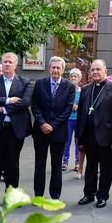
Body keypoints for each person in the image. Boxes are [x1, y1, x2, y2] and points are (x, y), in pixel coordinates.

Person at [0, 52, 32, 209]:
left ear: (16, 65)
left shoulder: (25, 82)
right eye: (4, 62)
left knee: (13, 164)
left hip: (15, 129)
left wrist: (3, 110)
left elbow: (25, 103)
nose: (7, 65)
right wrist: (8, 101)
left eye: (10, 62)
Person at [76, 59, 112, 208]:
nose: (95, 72)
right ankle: (88, 194)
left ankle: (102, 196)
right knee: (90, 167)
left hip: (107, 136)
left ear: (105, 71)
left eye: (98, 69)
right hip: (88, 136)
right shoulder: (85, 89)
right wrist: (79, 136)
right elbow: (81, 115)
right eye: (93, 70)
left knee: (105, 168)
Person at [31, 56, 75, 199]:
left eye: (58, 67)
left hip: (59, 131)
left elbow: (67, 109)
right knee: (40, 164)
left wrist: (53, 125)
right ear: (49, 68)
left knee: (56, 165)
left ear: (63, 70)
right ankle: (38, 195)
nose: (55, 70)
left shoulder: (69, 86)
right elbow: (35, 106)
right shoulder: (39, 84)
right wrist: (42, 123)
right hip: (40, 130)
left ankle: (55, 196)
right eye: (53, 67)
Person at [62, 68, 82, 173]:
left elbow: (84, 104)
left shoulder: (82, 91)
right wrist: (70, 106)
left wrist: (78, 107)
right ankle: (65, 161)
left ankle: (78, 162)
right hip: (68, 120)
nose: (73, 78)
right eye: (71, 76)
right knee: (66, 141)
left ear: (79, 79)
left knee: (78, 142)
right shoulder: (66, 91)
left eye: (75, 76)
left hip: (78, 120)